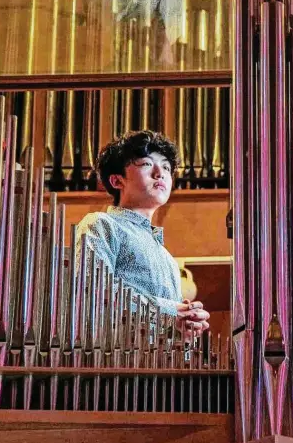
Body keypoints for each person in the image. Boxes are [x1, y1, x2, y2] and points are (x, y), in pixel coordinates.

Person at [76, 130, 210, 340]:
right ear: (117, 181)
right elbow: (93, 292)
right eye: (147, 164)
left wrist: (186, 328)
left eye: (166, 167)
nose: (160, 173)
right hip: (113, 365)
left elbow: (168, 327)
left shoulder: (168, 260)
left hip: (160, 368)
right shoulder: (101, 224)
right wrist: (171, 311)